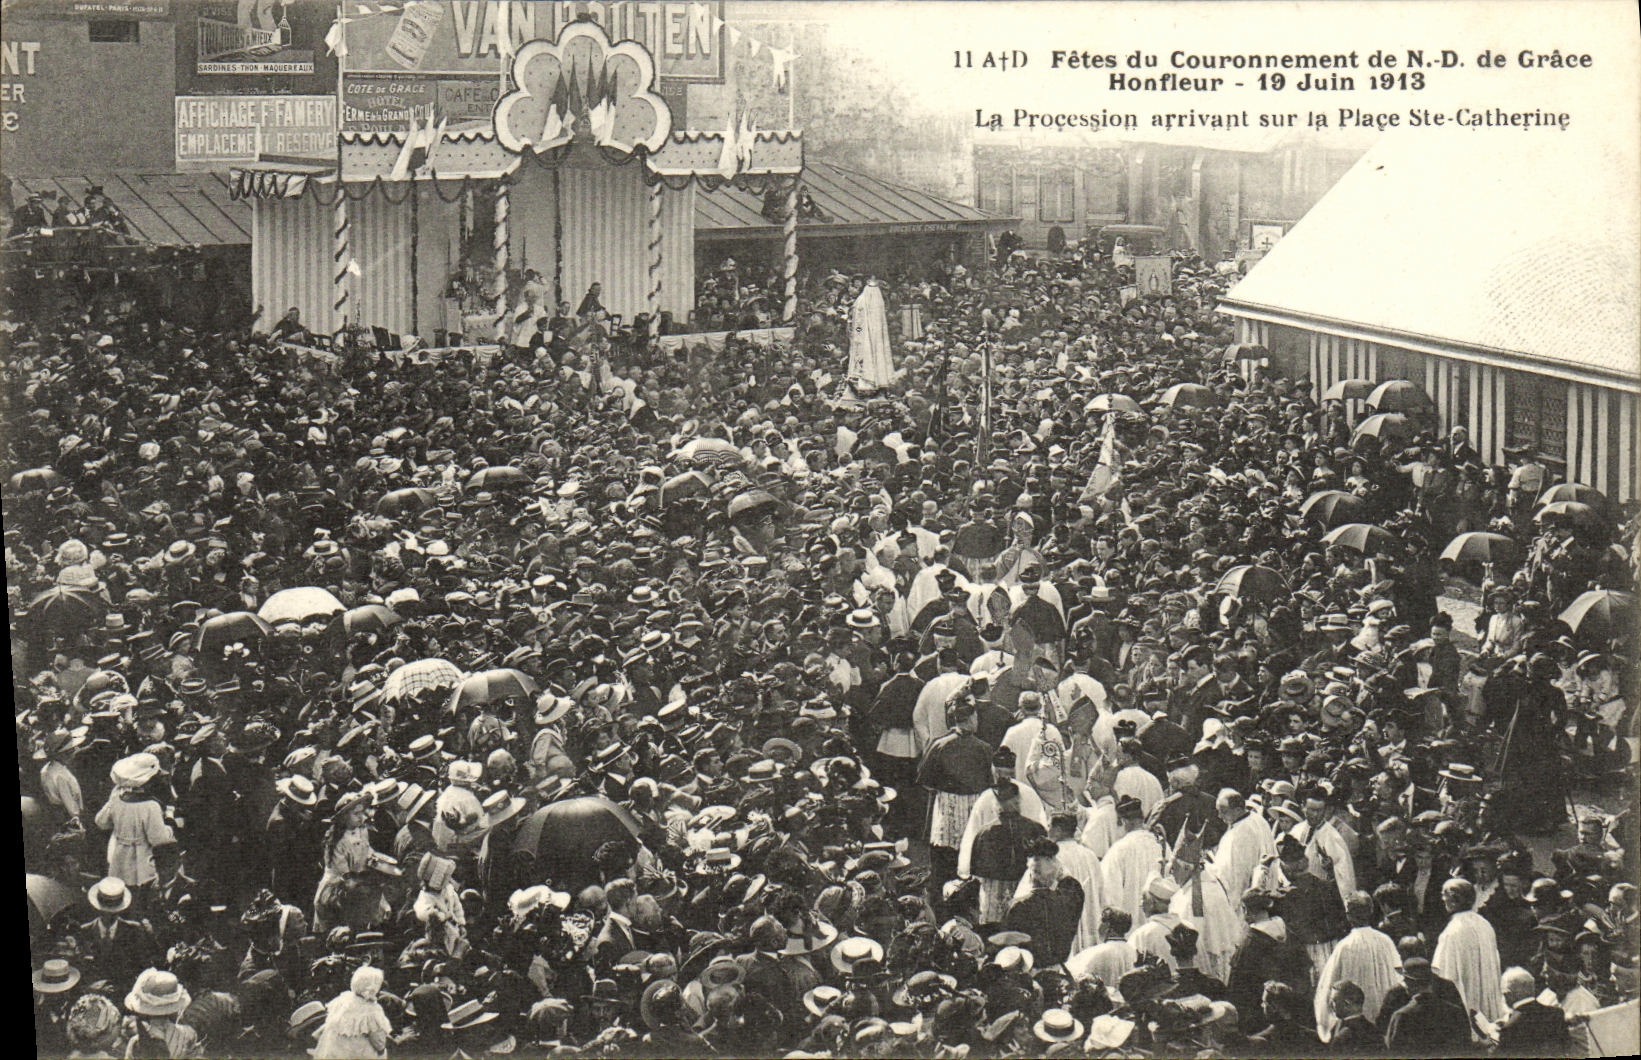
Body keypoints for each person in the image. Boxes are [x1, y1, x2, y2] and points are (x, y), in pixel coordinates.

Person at [1431, 877, 1506, 1030]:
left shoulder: (1451, 932)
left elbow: (1444, 974)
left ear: (1453, 901)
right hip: (1487, 995)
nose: (1443, 901)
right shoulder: (1485, 924)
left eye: (1445, 897)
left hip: (1464, 999)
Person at [313, 964, 392, 1059]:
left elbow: (331, 1023)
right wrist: (381, 1049)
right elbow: (377, 1037)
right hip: (358, 1052)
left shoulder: (343, 1000)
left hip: (335, 1050)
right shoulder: (372, 1008)